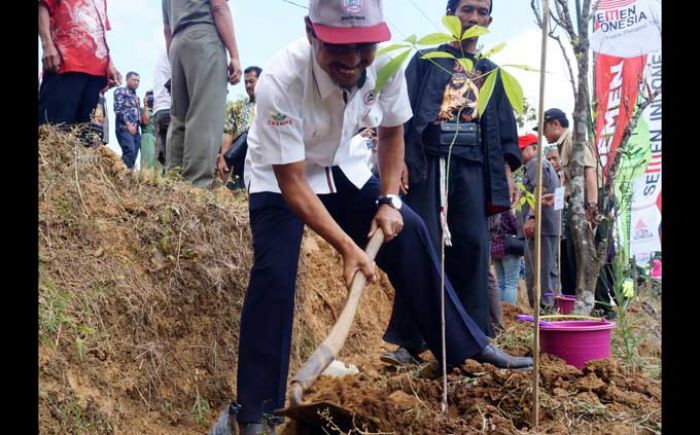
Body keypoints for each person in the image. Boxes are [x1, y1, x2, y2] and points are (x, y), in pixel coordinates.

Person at [211, 2, 532, 434]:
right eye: (339, 47)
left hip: (343, 165)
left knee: (412, 230)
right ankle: (255, 411)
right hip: (280, 175)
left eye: (364, 47)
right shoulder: (280, 79)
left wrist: (386, 199)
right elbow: (292, 183)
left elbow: (393, 129)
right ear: (311, 32)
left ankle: (463, 346)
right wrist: (348, 247)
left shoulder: (386, 64)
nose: (353, 59)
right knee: (274, 273)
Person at [382, 0, 521, 365]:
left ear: (489, 21)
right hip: (428, 164)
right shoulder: (427, 60)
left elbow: (505, 133)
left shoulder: (492, 73)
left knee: (474, 248)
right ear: (451, 14)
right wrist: (400, 164)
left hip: (472, 168)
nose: (473, 18)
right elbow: (401, 117)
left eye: (481, 12)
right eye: (466, 10)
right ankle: (409, 343)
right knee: (422, 244)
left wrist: (507, 175)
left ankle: (474, 342)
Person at [162, 0, 242, 188]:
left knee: (179, 119)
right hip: (204, 37)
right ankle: (196, 187)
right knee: (205, 116)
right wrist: (235, 55)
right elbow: (219, 7)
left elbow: (167, 28)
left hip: (177, 43)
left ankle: (173, 182)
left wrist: (174, 59)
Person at [538, 108, 599, 296]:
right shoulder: (562, 145)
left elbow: (589, 173)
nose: (542, 134)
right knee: (574, 256)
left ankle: (603, 306)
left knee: (587, 254)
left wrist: (592, 206)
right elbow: (572, 184)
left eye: (544, 128)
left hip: (587, 202)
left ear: (555, 124)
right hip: (576, 201)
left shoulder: (573, 139)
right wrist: (555, 196)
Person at [38, 0, 121, 128]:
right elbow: (42, 6)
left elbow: (99, 32)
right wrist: (47, 45)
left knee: (83, 137)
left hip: (96, 73)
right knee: (52, 131)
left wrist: (110, 64)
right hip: (66, 65)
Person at [518, 133, 561, 308]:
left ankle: (543, 312)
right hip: (547, 228)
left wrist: (532, 218)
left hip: (541, 229)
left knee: (539, 273)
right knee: (547, 271)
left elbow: (539, 190)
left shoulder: (537, 164)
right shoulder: (541, 165)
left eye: (522, 149)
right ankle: (552, 310)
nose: (519, 153)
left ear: (535, 148)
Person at [217, 66, 262, 190]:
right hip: (240, 152)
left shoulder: (272, 104)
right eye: (246, 82)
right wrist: (224, 157)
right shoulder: (238, 107)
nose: (248, 85)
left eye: (251, 81)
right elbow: (229, 132)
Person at [490, 210, 521, 305]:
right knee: (510, 283)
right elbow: (517, 227)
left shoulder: (491, 211)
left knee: (500, 283)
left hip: (494, 249)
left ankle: (500, 311)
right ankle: (509, 312)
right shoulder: (506, 211)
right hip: (508, 248)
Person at [113, 72, 142, 169]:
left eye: (138, 81)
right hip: (124, 128)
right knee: (129, 151)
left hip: (136, 131)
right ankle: (121, 175)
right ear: (127, 80)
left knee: (133, 156)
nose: (136, 82)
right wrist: (128, 125)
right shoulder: (120, 91)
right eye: (134, 80)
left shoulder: (136, 98)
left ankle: (127, 175)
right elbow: (118, 110)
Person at [153, 46, 172, 167]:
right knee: (174, 154)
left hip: (159, 109)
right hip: (169, 107)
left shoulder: (163, 53)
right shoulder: (173, 50)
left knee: (166, 153)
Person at [140, 91, 159, 170]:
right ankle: (146, 179)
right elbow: (145, 121)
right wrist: (145, 106)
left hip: (157, 139)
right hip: (147, 137)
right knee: (148, 161)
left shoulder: (157, 112)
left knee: (158, 164)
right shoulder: (142, 110)